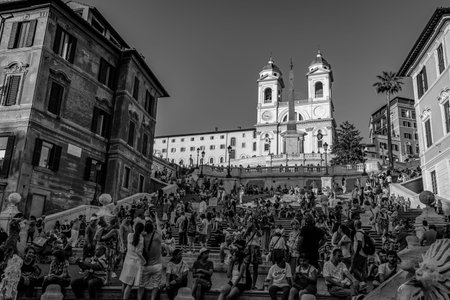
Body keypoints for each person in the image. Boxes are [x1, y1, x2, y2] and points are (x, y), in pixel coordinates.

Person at [138, 216, 163, 300]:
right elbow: (159, 226)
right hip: (157, 265)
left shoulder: (142, 237)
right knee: (156, 285)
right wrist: (156, 216)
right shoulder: (158, 236)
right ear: (153, 228)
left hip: (146, 265)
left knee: (141, 285)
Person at [119, 222, 145, 300]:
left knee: (124, 282)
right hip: (135, 263)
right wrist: (144, 261)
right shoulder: (141, 238)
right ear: (142, 230)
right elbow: (139, 252)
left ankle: (122, 297)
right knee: (129, 285)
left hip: (127, 262)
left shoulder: (129, 235)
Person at [351, 220, 367, 285]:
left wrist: (356, 253)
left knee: (353, 268)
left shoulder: (358, 233)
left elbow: (359, 243)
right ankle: (364, 284)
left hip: (360, 253)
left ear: (355, 225)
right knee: (363, 270)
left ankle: (362, 282)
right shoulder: (363, 231)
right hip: (364, 253)